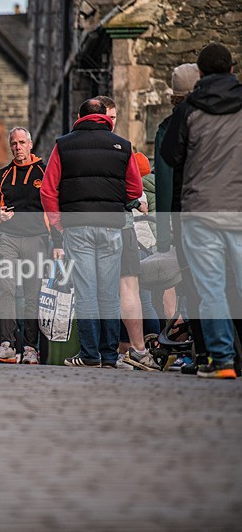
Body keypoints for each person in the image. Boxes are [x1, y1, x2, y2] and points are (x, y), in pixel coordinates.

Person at [40, 98, 143, 368]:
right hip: (111, 225)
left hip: (77, 226)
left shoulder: (63, 145)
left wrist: (59, 224)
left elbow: (48, 190)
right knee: (109, 293)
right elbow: (134, 190)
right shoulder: (122, 146)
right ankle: (109, 355)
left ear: (79, 116)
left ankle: (89, 355)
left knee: (86, 292)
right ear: (105, 118)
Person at [161, 42, 242, 379]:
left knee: (211, 288)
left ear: (202, 72)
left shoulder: (189, 108)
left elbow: (170, 156)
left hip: (200, 209)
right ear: (233, 70)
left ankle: (222, 361)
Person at [0, 127, 63, 364]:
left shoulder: (44, 171)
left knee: (32, 294)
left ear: (30, 144)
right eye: (14, 144)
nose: (18, 147)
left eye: (21, 142)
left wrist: (58, 243)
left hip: (37, 238)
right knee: (6, 288)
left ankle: (30, 347)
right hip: (8, 238)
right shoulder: (3, 175)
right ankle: (7, 345)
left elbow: (54, 207)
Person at [95, 95, 160, 371]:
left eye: (113, 118)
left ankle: (128, 350)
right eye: (107, 117)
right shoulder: (120, 149)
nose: (111, 123)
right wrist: (134, 200)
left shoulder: (114, 148)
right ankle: (133, 350)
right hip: (120, 227)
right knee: (127, 291)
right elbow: (137, 196)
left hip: (117, 229)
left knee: (125, 292)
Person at [154, 62, 208, 373]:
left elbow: (164, 183)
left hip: (187, 216)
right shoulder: (224, 121)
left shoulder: (169, 128)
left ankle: (203, 354)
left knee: (196, 287)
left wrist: (164, 235)